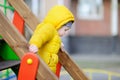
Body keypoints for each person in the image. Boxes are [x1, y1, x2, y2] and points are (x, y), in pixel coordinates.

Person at [29, 5, 74, 77]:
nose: (66, 33)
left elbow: (51, 44)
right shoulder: (49, 28)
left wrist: (59, 44)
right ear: (58, 24)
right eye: (65, 30)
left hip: (48, 67)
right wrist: (35, 44)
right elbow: (40, 35)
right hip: (43, 66)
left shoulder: (54, 34)